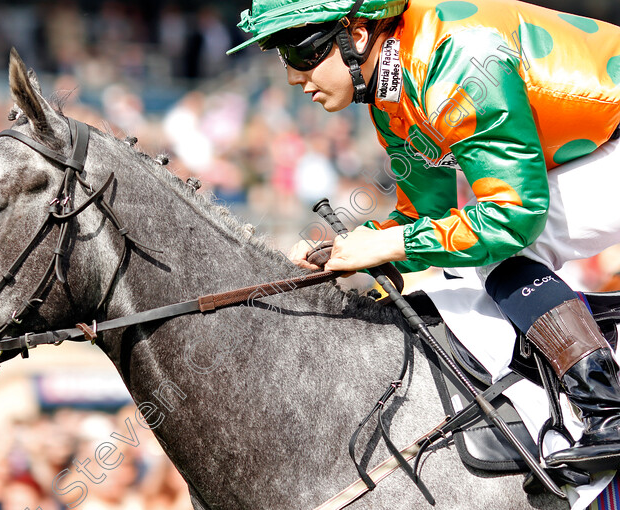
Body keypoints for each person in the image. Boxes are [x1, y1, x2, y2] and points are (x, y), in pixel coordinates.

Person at [228, 0, 620, 473]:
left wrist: (391, 246)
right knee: (470, 251)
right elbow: (426, 214)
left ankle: (607, 408)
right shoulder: (391, 86)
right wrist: (352, 249)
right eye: (281, 57)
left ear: (355, 36)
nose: (293, 76)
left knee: (500, 251)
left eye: (300, 52)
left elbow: (515, 217)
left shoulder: (449, 55)